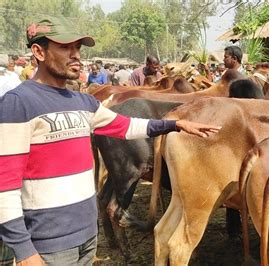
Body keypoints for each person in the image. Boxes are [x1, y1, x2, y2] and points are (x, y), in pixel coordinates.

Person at [0, 17, 221, 266]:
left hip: (86, 238)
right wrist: (25, 251)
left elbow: (127, 126)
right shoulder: (18, 103)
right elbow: (4, 188)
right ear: (39, 52)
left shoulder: (82, 102)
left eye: (78, 48)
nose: (76, 55)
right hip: (47, 245)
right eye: (65, 47)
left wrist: (174, 124)